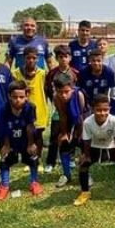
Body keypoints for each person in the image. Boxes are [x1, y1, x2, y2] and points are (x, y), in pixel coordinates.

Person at [73, 94, 115, 206]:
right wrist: (86, 155)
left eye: (105, 110)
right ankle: (85, 192)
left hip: (111, 146)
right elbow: (86, 141)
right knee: (83, 165)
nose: (102, 113)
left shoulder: (114, 120)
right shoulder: (88, 122)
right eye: (98, 110)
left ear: (109, 109)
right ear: (92, 109)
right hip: (95, 146)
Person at [0, 81, 40, 200]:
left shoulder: (30, 107)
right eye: (14, 97)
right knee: (5, 159)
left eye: (21, 97)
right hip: (10, 138)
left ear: (26, 96)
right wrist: (6, 145)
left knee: (33, 157)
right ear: (9, 96)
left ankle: (34, 182)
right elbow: (3, 128)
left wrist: (31, 144)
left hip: (25, 138)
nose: (18, 100)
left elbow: (30, 126)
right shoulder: (4, 109)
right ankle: (5, 185)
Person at [44, 45, 79, 174]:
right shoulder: (52, 73)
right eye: (60, 57)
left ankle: (70, 157)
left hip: (71, 108)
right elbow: (47, 89)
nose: (63, 59)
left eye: (66, 56)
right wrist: (54, 101)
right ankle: (50, 161)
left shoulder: (75, 73)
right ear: (57, 58)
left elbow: (78, 90)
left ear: (70, 58)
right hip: (57, 108)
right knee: (55, 135)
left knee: (72, 134)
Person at [12, 46, 49, 165]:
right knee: (24, 136)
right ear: (24, 58)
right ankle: (27, 159)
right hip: (22, 111)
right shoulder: (16, 73)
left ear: (38, 59)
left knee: (38, 136)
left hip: (39, 109)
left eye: (34, 58)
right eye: (28, 58)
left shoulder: (43, 74)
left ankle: (37, 159)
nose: (31, 60)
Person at [54, 73, 87, 188]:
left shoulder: (79, 95)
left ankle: (86, 174)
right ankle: (66, 175)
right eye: (60, 92)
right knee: (63, 144)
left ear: (72, 88)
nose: (63, 95)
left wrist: (81, 134)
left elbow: (82, 116)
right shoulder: (56, 97)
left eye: (66, 92)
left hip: (82, 121)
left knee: (84, 146)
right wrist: (64, 133)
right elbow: (62, 115)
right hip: (68, 121)